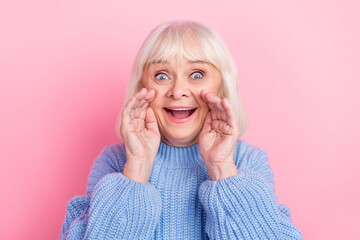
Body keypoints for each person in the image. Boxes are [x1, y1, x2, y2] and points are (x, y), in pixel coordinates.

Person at [59, 20, 302, 239]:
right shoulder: (116, 162)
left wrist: (222, 168)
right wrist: (137, 167)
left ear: (221, 88)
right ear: (141, 89)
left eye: (197, 74)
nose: (178, 90)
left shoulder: (247, 161)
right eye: (162, 76)